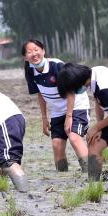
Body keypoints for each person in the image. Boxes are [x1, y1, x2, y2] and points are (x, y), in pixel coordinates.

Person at [22, 40, 90, 172]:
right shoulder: (30, 71)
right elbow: (40, 94)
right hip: (57, 111)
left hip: (76, 105)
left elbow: (71, 91)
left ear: (43, 51)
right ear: (25, 57)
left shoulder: (57, 66)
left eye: (36, 50)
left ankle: (91, 172)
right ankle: (62, 175)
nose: (34, 54)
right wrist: (44, 118)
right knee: (56, 144)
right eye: (29, 52)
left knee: (74, 137)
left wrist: (69, 116)